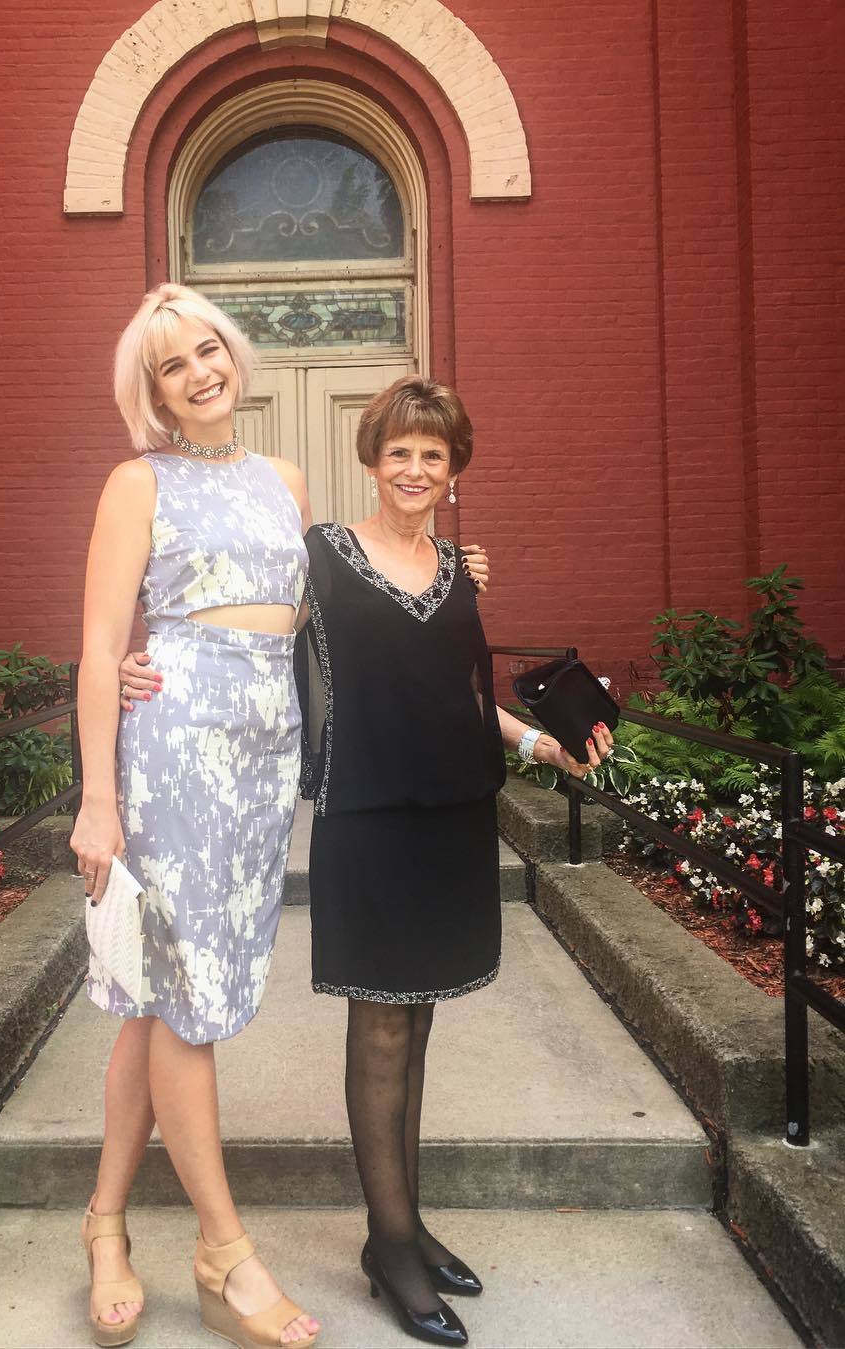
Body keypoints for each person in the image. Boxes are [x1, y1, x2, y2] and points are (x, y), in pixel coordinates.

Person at [294, 375, 613, 1346]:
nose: (415, 468)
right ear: (372, 459)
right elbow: (248, 645)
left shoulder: (459, 572)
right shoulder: (321, 556)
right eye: (399, 451)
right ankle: (389, 1246)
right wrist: (138, 667)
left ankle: (407, 1223)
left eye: (432, 454)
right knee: (381, 1024)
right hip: (368, 817)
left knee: (419, 1019)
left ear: (453, 470)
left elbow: (467, 696)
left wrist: (541, 742)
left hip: (450, 819)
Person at [69, 283, 321, 1349]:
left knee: (155, 999)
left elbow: (312, 620)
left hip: (263, 758)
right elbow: (99, 647)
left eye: (207, 348)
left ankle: (106, 1224)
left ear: (234, 354)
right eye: (172, 365)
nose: (199, 371)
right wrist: (98, 798)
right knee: (184, 1001)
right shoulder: (137, 482)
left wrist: (452, 566)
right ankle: (224, 1249)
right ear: (155, 392)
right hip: (173, 751)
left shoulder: (285, 478)